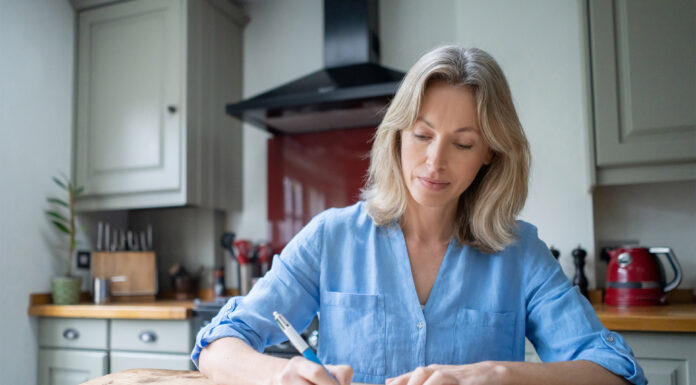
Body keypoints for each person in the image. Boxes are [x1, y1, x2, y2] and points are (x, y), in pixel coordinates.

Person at [192, 45, 646, 385]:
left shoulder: (520, 253)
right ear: (397, 136)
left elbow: (615, 369)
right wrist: (280, 375)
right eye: (422, 135)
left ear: (490, 152)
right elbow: (216, 344)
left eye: (463, 143)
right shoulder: (331, 238)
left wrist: (498, 375)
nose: (434, 162)